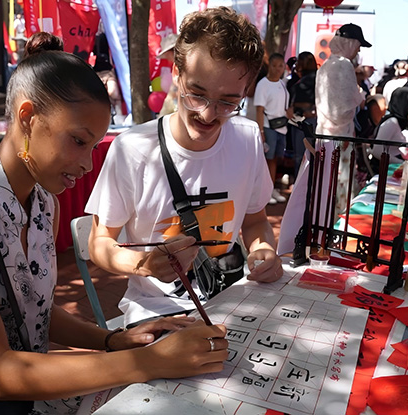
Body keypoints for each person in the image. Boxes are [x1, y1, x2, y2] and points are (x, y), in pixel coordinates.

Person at [0, 36, 227, 414]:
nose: (87, 164)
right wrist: (148, 361)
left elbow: (33, 310)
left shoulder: (43, 203)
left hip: (24, 396)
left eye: (93, 147)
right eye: (78, 141)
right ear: (27, 118)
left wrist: (112, 340)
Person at [85, 7, 284, 327]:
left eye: (228, 102)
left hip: (230, 299)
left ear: (245, 92)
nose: (208, 114)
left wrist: (263, 250)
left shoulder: (247, 138)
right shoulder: (132, 149)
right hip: (156, 310)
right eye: (197, 94)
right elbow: (99, 243)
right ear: (176, 74)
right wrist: (144, 264)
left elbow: (256, 221)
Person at [278, 23, 371, 254]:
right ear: (350, 43)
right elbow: (342, 109)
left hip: (325, 135)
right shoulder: (343, 65)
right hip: (340, 137)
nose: (358, 50)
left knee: (323, 188)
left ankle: (322, 235)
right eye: (358, 45)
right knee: (338, 190)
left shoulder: (327, 65)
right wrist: (358, 97)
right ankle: (336, 237)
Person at [254, 52, 289, 205]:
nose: (277, 69)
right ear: (270, 66)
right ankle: (264, 191)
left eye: (280, 66)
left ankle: (271, 188)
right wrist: (261, 131)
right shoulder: (263, 84)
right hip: (269, 128)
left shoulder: (282, 84)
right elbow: (259, 109)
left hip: (282, 128)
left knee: (275, 160)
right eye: (274, 65)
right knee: (267, 160)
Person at [370, 87, 408, 166]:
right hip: (384, 168)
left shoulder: (401, 122)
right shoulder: (392, 122)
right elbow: (377, 151)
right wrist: (402, 164)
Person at [286, 51, 318, 181]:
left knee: (304, 155)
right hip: (297, 120)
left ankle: (304, 184)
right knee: (300, 155)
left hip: (307, 120)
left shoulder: (313, 79)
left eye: (300, 60)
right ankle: (302, 184)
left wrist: (312, 111)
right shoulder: (302, 78)